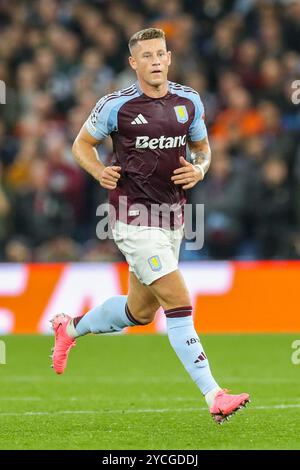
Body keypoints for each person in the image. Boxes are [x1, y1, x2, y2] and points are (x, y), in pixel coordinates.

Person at [50, 28, 250, 424]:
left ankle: (69, 328)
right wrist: (98, 172)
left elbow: (203, 150)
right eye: (147, 55)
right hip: (131, 218)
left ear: (169, 57)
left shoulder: (189, 101)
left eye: (161, 53)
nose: (156, 60)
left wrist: (200, 169)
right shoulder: (116, 105)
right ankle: (215, 394)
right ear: (134, 63)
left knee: (139, 312)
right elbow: (80, 144)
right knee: (178, 299)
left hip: (174, 217)